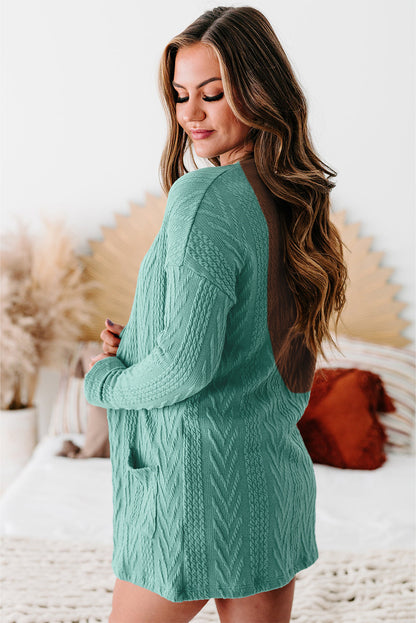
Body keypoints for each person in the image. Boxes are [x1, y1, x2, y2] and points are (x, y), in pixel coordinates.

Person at [84, 6, 348, 623]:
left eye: (213, 93)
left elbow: (184, 368)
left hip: (193, 488)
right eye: (180, 96)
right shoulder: (294, 200)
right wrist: (142, 341)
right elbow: (263, 348)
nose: (191, 114)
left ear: (259, 92)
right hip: (270, 481)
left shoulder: (203, 197)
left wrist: (106, 379)